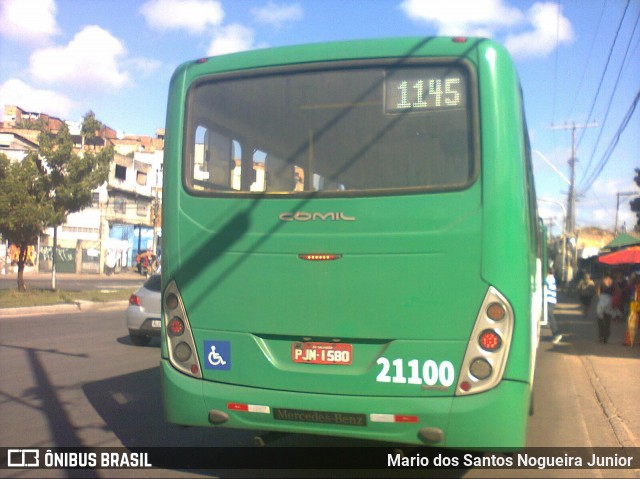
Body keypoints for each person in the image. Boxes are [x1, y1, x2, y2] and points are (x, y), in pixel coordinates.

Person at [596, 274, 614, 344]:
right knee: (608, 321)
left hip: (602, 301)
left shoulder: (600, 282)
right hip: (609, 301)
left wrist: (599, 298)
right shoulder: (613, 283)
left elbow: (598, 292)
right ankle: (606, 337)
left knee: (600, 320)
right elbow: (618, 291)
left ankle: (601, 336)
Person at [545, 268, 562, 344]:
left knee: (550, 315)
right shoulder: (552, 278)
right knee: (549, 316)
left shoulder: (549, 278)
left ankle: (556, 333)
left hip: (550, 300)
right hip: (551, 300)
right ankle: (555, 333)